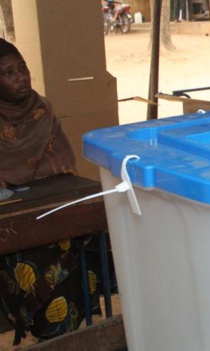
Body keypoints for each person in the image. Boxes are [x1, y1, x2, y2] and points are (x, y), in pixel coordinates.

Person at [0, 38, 100, 345]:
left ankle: (82, 328)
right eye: (8, 72)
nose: (21, 77)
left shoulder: (43, 110)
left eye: (22, 68)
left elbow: (62, 164)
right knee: (33, 257)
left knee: (96, 235)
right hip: (14, 224)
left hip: (51, 204)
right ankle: (51, 332)